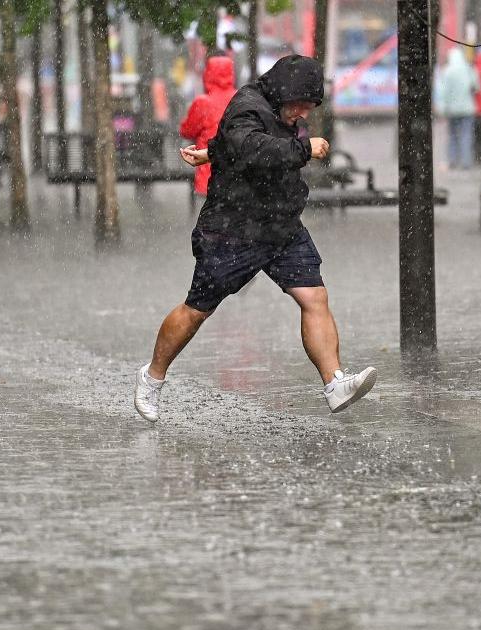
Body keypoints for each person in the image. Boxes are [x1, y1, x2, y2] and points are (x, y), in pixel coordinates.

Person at [134, 55, 378, 423]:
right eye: (302, 105)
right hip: (234, 229)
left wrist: (211, 152)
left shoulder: (279, 112)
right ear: (285, 92)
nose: (304, 114)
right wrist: (304, 149)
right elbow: (251, 147)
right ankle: (152, 377)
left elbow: (238, 143)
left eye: (310, 107)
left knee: (314, 296)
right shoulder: (247, 105)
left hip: (281, 226)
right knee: (197, 310)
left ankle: (335, 383)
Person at [179, 52, 237, 196]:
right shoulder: (240, 98)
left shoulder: (202, 103)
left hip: (209, 176)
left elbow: (187, 131)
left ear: (208, 74)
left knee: (207, 209)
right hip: (236, 178)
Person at [434, 47, 480, 170]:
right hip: (467, 109)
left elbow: (442, 92)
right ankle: (466, 162)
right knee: (467, 135)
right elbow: (476, 86)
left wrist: (442, 109)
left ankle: (452, 160)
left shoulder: (447, 72)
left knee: (453, 136)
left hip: (452, 110)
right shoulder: (468, 69)